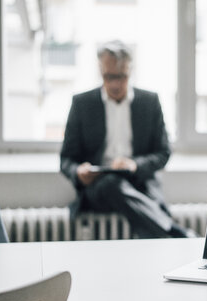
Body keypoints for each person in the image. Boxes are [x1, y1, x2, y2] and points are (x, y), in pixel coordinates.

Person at [60, 40, 193, 238]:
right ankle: (177, 235)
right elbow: (66, 160)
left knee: (120, 187)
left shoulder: (149, 102)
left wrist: (134, 165)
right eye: (109, 76)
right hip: (98, 189)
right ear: (100, 70)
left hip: (140, 186)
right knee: (111, 183)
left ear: (130, 70)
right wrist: (78, 171)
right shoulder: (82, 104)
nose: (115, 83)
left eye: (121, 76)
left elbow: (164, 152)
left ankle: (166, 235)